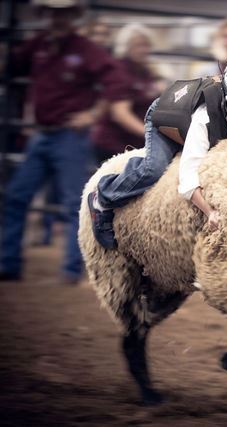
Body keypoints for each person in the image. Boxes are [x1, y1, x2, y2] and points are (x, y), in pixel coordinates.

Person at [88, 51, 227, 249]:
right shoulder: (205, 117)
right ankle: (103, 197)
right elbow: (187, 180)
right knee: (154, 168)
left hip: (215, 124)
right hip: (168, 119)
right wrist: (210, 212)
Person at [0, 0, 127, 284]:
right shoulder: (39, 45)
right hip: (43, 134)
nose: (58, 18)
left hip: (68, 136)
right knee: (18, 196)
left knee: (72, 203)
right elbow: (12, 65)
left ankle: (71, 270)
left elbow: (116, 78)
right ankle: (9, 263)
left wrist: (93, 113)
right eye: (54, 12)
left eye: (64, 12)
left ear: (73, 15)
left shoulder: (85, 50)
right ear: (46, 14)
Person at [91, 24, 162, 164]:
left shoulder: (145, 71)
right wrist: (151, 135)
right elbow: (121, 114)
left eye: (146, 45)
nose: (144, 50)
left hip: (135, 144)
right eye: (138, 46)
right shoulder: (119, 71)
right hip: (114, 145)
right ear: (126, 47)